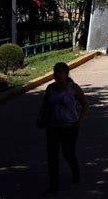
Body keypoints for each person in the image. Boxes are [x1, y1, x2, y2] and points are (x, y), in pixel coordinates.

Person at [38, 62, 88, 194]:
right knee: (52, 157)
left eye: (60, 72)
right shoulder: (50, 88)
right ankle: (54, 185)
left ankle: (75, 173)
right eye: (55, 72)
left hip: (70, 127)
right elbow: (45, 106)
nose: (57, 75)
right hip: (53, 127)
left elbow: (85, 104)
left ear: (66, 74)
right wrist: (42, 118)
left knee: (68, 154)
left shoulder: (73, 88)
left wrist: (80, 120)